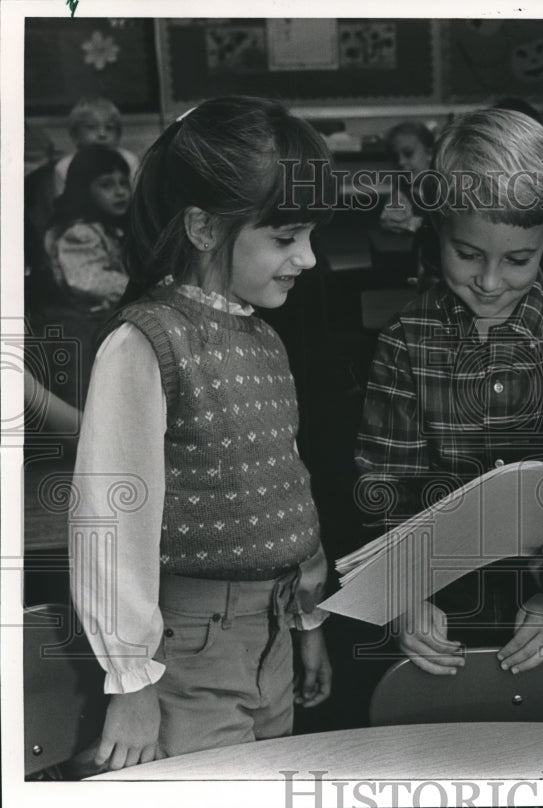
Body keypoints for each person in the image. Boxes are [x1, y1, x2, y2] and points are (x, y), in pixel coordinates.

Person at [70, 96, 335, 770]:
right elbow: (112, 518)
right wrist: (130, 680)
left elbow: (286, 488)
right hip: (186, 647)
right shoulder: (145, 341)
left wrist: (306, 620)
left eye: (309, 235)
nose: (307, 257)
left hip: (271, 633)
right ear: (203, 227)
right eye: (284, 237)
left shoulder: (264, 336)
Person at [355, 108, 543, 676]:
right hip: (441, 610)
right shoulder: (405, 342)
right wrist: (403, 595)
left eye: (518, 260)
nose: (490, 281)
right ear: (436, 230)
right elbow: (385, 489)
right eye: (468, 254)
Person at [45, 144, 131, 311]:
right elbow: (90, 280)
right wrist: (142, 287)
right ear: (83, 190)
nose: (120, 192)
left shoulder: (114, 226)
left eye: (124, 183)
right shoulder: (79, 234)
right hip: (88, 318)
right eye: (106, 185)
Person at [53, 97, 141, 197]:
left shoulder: (129, 160)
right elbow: (63, 206)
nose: (102, 134)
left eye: (109, 128)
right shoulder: (64, 167)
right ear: (75, 135)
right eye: (91, 127)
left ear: (118, 135)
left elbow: (137, 199)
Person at [379, 121, 434, 234]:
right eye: (395, 157)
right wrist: (393, 219)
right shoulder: (405, 186)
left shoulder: (449, 185)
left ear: (430, 153)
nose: (401, 162)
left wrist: (416, 223)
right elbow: (392, 216)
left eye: (408, 154)